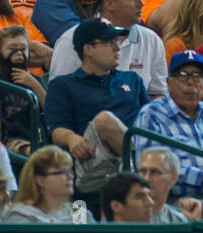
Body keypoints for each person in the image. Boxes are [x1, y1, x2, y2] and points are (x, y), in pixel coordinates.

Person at [44, 17, 149, 193]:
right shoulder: (64, 85)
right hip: (93, 161)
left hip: (133, 152)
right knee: (104, 120)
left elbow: (150, 120)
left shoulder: (132, 79)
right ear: (88, 49)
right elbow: (57, 129)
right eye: (109, 42)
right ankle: (146, 171)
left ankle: (143, 168)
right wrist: (71, 138)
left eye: (117, 41)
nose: (117, 47)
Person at [131, 50, 203, 200]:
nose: (191, 81)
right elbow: (150, 170)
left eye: (197, 76)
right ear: (169, 83)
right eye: (183, 75)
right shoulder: (152, 114)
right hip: (174, 200)